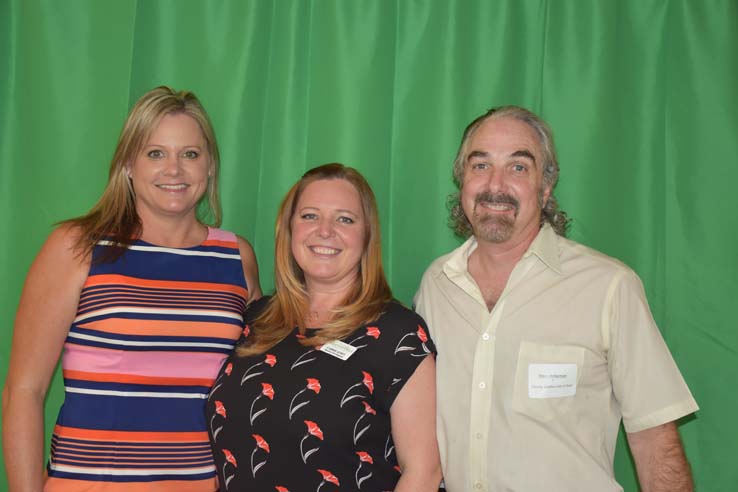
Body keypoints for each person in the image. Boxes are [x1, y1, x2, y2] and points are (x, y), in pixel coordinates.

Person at [414, 106, 699, 492]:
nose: (495, 185)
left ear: (545, 187)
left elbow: (655, 443)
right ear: (462, 180)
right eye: (480, 165)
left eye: (518, 167)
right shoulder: (435, 285)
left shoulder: (609, 286)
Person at [2, 86, 261, 491]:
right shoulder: (78, 247)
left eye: (190, 154)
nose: (173, 170)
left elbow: (253, 388)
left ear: (210, 165)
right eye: (155, 153)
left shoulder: (236, 257)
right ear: (127, 164)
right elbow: (25, 391)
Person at [206, 163, 441, 491]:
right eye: (310, 216)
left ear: (367, 235)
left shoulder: (398, 335)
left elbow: (424, 474)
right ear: (289, 229)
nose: (325, 231)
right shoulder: (256, 319)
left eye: (345, 219)